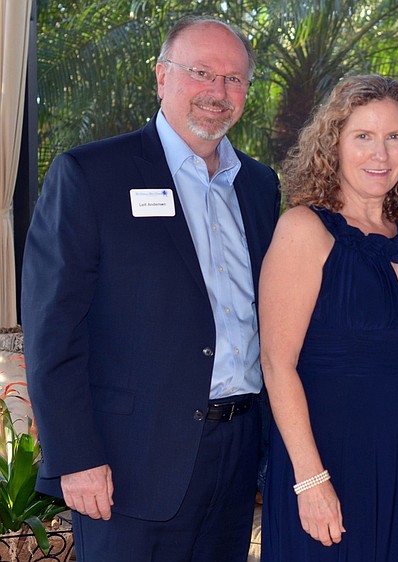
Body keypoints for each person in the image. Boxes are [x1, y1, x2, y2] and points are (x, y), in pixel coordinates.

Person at [20, 16, 280, 562]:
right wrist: (75, 456)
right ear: (161, 77)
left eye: (234, 79)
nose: (218, 91)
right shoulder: (91, 174)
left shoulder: (259, 186)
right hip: (126, 462)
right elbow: (54, 330)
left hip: (237, 456)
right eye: (201, 72)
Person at [259, 74, 398, 561]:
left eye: (394, 137)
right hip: (329, 458)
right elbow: (277, 363)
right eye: (363, 136)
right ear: (333, 143)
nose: (379, 154)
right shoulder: (302, 229)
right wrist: (311, 478)